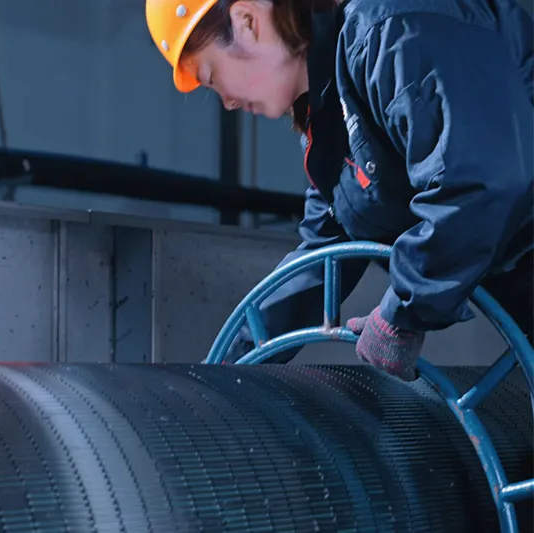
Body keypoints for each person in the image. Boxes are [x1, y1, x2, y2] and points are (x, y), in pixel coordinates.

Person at [146, 0, 534, 380]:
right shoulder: (334, 113)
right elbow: (325, 252)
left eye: (212, 77)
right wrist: (226, 370)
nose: (228, 102)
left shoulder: (393, 30)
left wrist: (402, 313)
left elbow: (480, 178)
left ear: (247, 21)